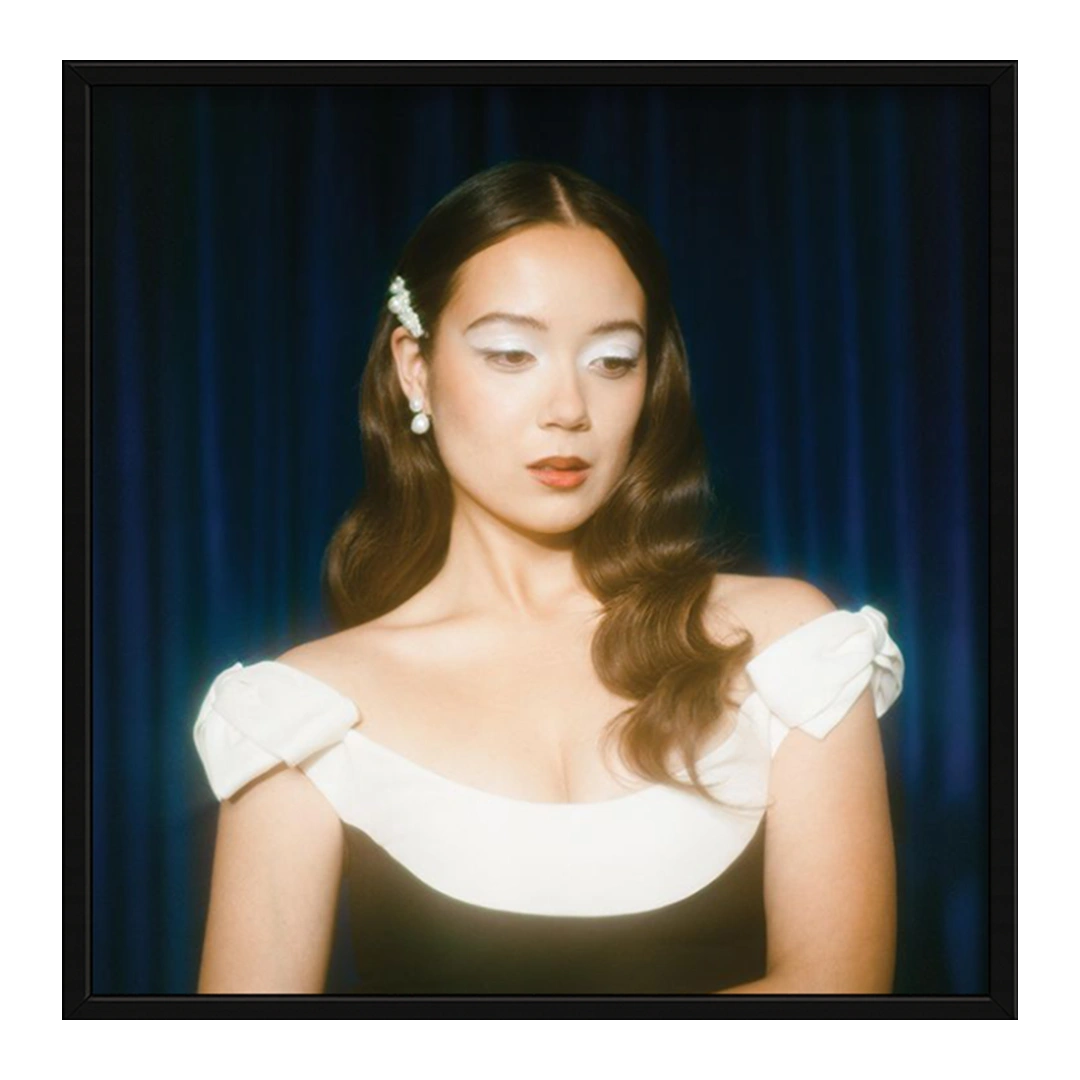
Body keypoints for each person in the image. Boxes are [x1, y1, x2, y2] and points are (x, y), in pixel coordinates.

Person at [192, 161, 905, 995]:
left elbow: (842, 995)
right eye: (510, 354)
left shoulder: (789, 651)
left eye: (612, 360)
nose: (568, 408)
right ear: (415, 367)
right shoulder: (303, 713)